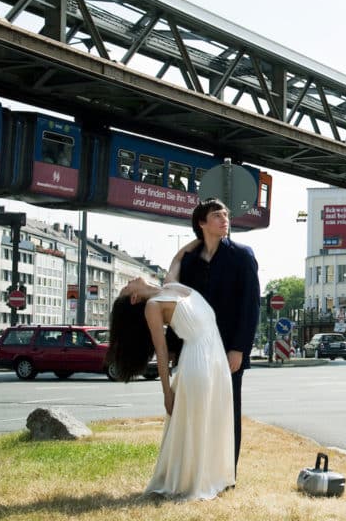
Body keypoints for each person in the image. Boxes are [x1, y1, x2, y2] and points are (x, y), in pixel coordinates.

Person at [108, 269, 235, 501]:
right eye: (125, 289)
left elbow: (181, 255)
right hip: (198, 362)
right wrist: (167, 393)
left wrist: (204, 230)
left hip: (215, 359)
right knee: (195, 423)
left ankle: (209, 478)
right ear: (134, 298)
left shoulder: (169, 287)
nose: (127, 282)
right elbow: (162, 352)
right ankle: (189, 482)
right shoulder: (152, 306)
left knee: (212, 420)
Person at [166, 198, 259, 469]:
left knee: (228, 411)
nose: (225, 220)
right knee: (196, 410)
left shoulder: (242, 255)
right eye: (217, 216)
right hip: (195, 347)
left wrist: (240, 348)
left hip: (230, 348)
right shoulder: (191, 262)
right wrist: (173, 346)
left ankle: (226, 471)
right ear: (202, 223)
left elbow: (251, 306)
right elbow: (178, 305)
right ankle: (199, 469)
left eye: (226, 215)